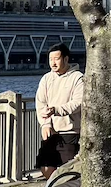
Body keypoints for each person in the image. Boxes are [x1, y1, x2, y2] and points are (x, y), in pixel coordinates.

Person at [35, 43, 84, 179]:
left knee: (69, 170)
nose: (53, 63)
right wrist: (45, 124)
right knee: (46, 167)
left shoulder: (78, 78)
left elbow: (78, 103)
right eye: (51, 60)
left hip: (70, 131)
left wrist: (57, 110)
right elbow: (40, 102)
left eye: (56, 59)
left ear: (66, 59)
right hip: (51, 131)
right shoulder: (46, 78)